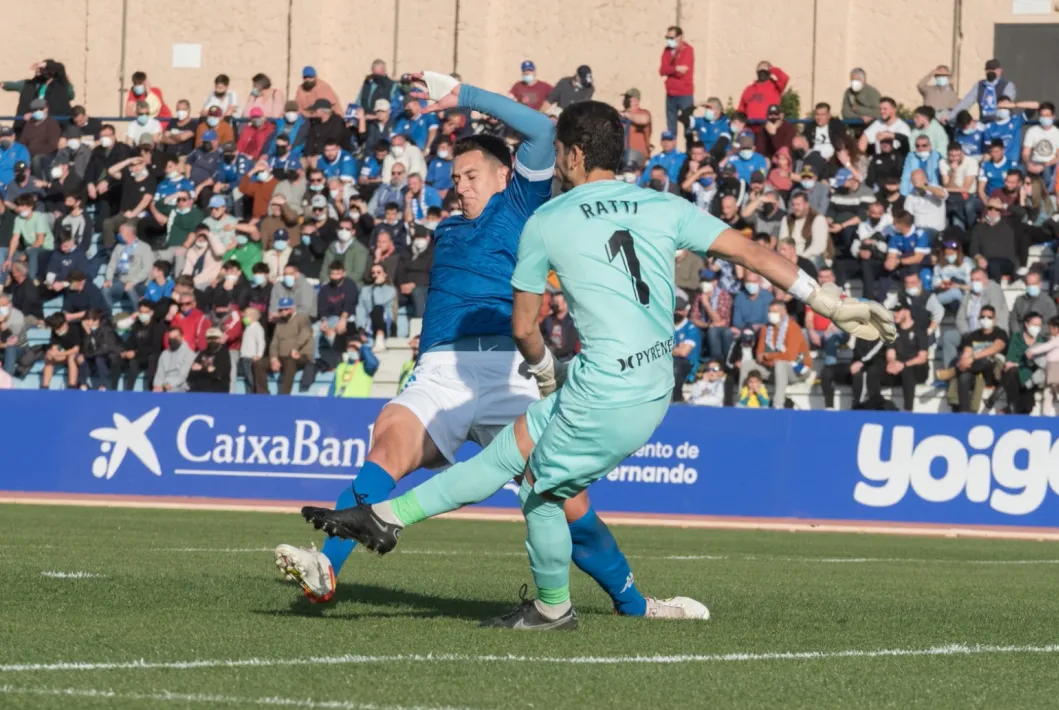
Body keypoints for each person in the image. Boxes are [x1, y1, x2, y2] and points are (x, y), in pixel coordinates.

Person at [301, 97, 895, 629]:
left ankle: (531, 596)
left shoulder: (547, 220)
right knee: (524, 466)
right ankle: (392, 523)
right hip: (652, 382)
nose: (554, 159)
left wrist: (540, 370)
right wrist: (831, 302)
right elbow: (751, 251)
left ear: (575, 153)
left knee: (531, 483)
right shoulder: (663, 205)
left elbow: (525, 326)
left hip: (602, 387)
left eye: (559, 150)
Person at [277, 72, 707, 620]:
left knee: (564, 499)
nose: (460, 185)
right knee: (388, 443)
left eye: (471, 174)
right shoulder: (449, 229)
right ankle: (326, 569)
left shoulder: (521, 205)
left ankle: (635, 604)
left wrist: (466, 97)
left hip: (512, 370)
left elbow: (541, 129)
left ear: (507, 175)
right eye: (455, 177)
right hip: (442, 371)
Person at [253, 297, 315, 394]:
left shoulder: (302, 318)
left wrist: (295, 348)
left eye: (286, 309)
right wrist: (274, 358)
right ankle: (263, 394)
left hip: (300, 355)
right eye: (281, 310)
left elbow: (305, 333)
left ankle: (284, 396)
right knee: (258, 364)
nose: (284, 312)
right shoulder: (279, 323)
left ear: (292, 308)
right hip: (282, 357)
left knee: (291, 362)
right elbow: (274, 342)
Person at [949, 58, 1016, 123]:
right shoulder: (980, 85)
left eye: (993, 69)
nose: (990, 72)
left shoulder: (1007, 85)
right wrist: (950, 116)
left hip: (1002, 122)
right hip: (984, 122)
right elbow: (966, 102)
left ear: (1000, 70)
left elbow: (1006, 102)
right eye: (988, 69)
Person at [660, 27, 694, 138]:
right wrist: (675, 69)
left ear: (680, 37)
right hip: (670, 93)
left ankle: (690, 153)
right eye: (667, 37)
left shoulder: (688, 50)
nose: (669, 40)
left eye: (672, 38)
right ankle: (671, 153)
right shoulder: (667, 51)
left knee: (688, 126)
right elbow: (662, 70)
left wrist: (670, 70)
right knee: (671, 128)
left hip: (684, 94)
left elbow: (681, 73)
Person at [330, 333, 380, 398]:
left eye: (355, 348)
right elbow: (332, 389)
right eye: (349, 347)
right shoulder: (341, 366)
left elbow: (373, 363)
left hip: (358, 404)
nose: (352, 350)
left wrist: (362, 347)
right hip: (340, 404)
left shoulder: (365, 366)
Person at [152, 325, 195, 392]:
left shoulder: (189, 354)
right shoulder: (165, 354)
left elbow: (183, 376)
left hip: (181, 386)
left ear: (182, 337)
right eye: (170, 338)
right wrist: (157, 385)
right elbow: (160, 373)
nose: (172, 340)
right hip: (164, 384)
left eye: (175, 337)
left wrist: (167, 385)